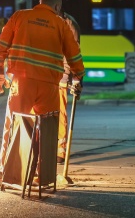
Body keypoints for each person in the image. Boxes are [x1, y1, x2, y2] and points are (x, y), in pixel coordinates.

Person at [0, 0, 84, 187]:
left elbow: (1, 47)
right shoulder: (60, 24)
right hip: (49, 85)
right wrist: (78, 77)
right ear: (57, 7)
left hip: (22, 82)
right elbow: (73, 54)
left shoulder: (20, 16)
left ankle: (6, 174)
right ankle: (43, 178)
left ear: (39, 3)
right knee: (48, 130)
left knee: (15, 125)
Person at [57, 11, 81, 164]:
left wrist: (75, 78)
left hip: (59, 76)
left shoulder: (68, 23)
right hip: (44, 75)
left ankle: (60, 150)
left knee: (59, 114)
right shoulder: (45, 20)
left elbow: (73, 52)